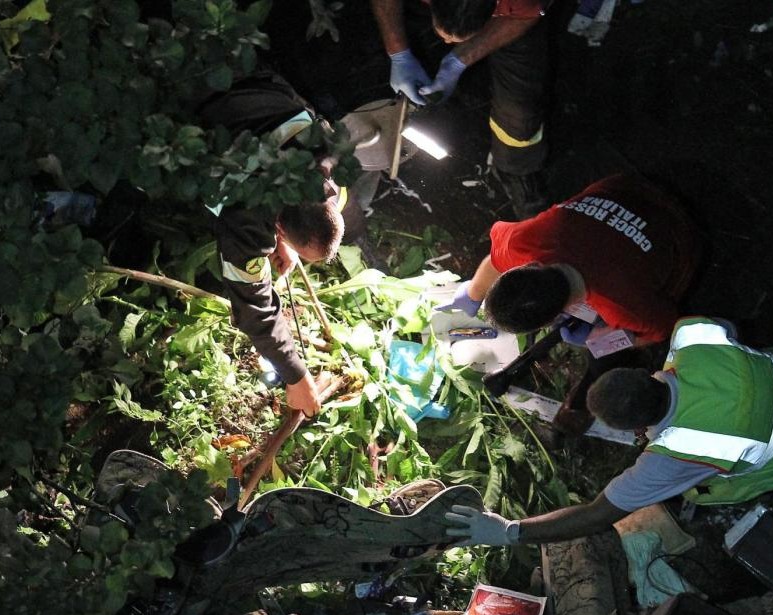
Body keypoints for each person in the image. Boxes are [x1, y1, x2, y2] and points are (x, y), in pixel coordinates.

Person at [444, 316, 773, 546]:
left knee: (705, 493)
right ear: (641, 371)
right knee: (769, 348)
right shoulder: (690, 337)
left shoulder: (669, 459)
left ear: (636, 429)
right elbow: (725, 327)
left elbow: (596, 514)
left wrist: (509, 532)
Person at [439, 174, 703, 420]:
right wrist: (472, 294)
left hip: (675, 227)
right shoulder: (523, 243)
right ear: (528, 266)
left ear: (556, 318)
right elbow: (495, 260)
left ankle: (591, 386)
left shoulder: (621, 307)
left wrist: (611, 340)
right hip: (622, 188)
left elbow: (662, 327)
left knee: (605, 352)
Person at [190, 72, 357, 417]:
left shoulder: (327, 153)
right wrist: (296, 377)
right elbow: (255, 309)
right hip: (199, 108)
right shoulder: (245, 218)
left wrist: (287, 246)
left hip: (248, 81)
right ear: (278, 224)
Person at [372, 0, 554, 216]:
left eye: (454, 39)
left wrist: (460, 60)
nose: (448, 42)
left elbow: (526, 16)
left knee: (519, 110)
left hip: (515, 16)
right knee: (407, 35)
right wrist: (398, 52)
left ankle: (516, 170)